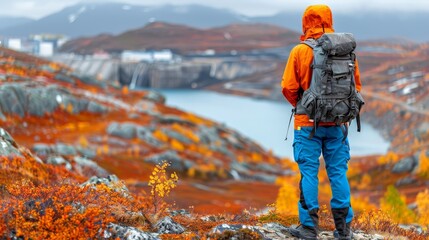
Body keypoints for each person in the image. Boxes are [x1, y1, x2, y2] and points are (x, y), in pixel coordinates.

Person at [281, 5, 362, 240]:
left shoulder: (300, 51)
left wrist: (303, 104)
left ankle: (308, 228)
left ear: (306, 22)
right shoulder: (345, 50)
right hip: (338, 124)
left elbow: (288, 87)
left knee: (308, 172)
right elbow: (356, 87)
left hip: (307, 124)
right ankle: (343, 229)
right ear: (330, 20)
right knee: (338, 173)